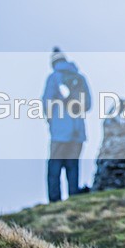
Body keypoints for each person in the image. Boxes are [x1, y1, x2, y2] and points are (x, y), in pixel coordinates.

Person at [42, 47, 91, 203]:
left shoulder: (54, 78)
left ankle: (54, 201)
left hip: (60, 130)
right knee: (72, 166)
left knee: (54, 168)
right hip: (78, 131)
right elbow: (88, 104)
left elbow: (47, 103)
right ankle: (73, 198)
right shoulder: (80, 79)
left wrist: (51, 121)